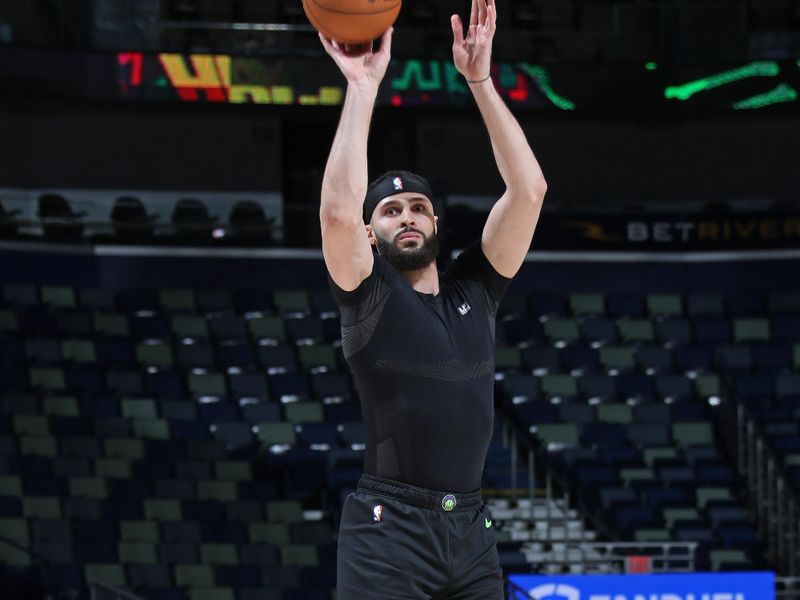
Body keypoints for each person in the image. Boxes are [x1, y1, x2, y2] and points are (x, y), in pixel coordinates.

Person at [318, 0, 547, 597]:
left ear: (437, 222)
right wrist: (363, 87)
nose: (407, 215)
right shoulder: (368, 294)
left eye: (418, 206)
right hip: (389, 529)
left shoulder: (476, 287)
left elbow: (529, 190)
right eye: (390, 211)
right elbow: (339, 213)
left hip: (472, 528)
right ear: (372, 234)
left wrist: (480, 81)